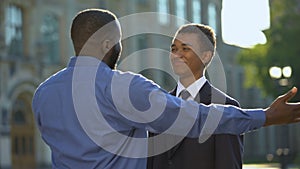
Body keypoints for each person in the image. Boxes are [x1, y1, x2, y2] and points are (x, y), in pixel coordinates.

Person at [32, 8, 300, 169]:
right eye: (118, 41)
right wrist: (265, 116)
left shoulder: (42, 95)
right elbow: (195, 118)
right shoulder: (124, 88)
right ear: (106, 45)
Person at [148, 23, 243, 169]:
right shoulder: (159, 105)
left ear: (205, 56)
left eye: (185, 49)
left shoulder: (226, 108)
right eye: (174, 49)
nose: (177, 55)